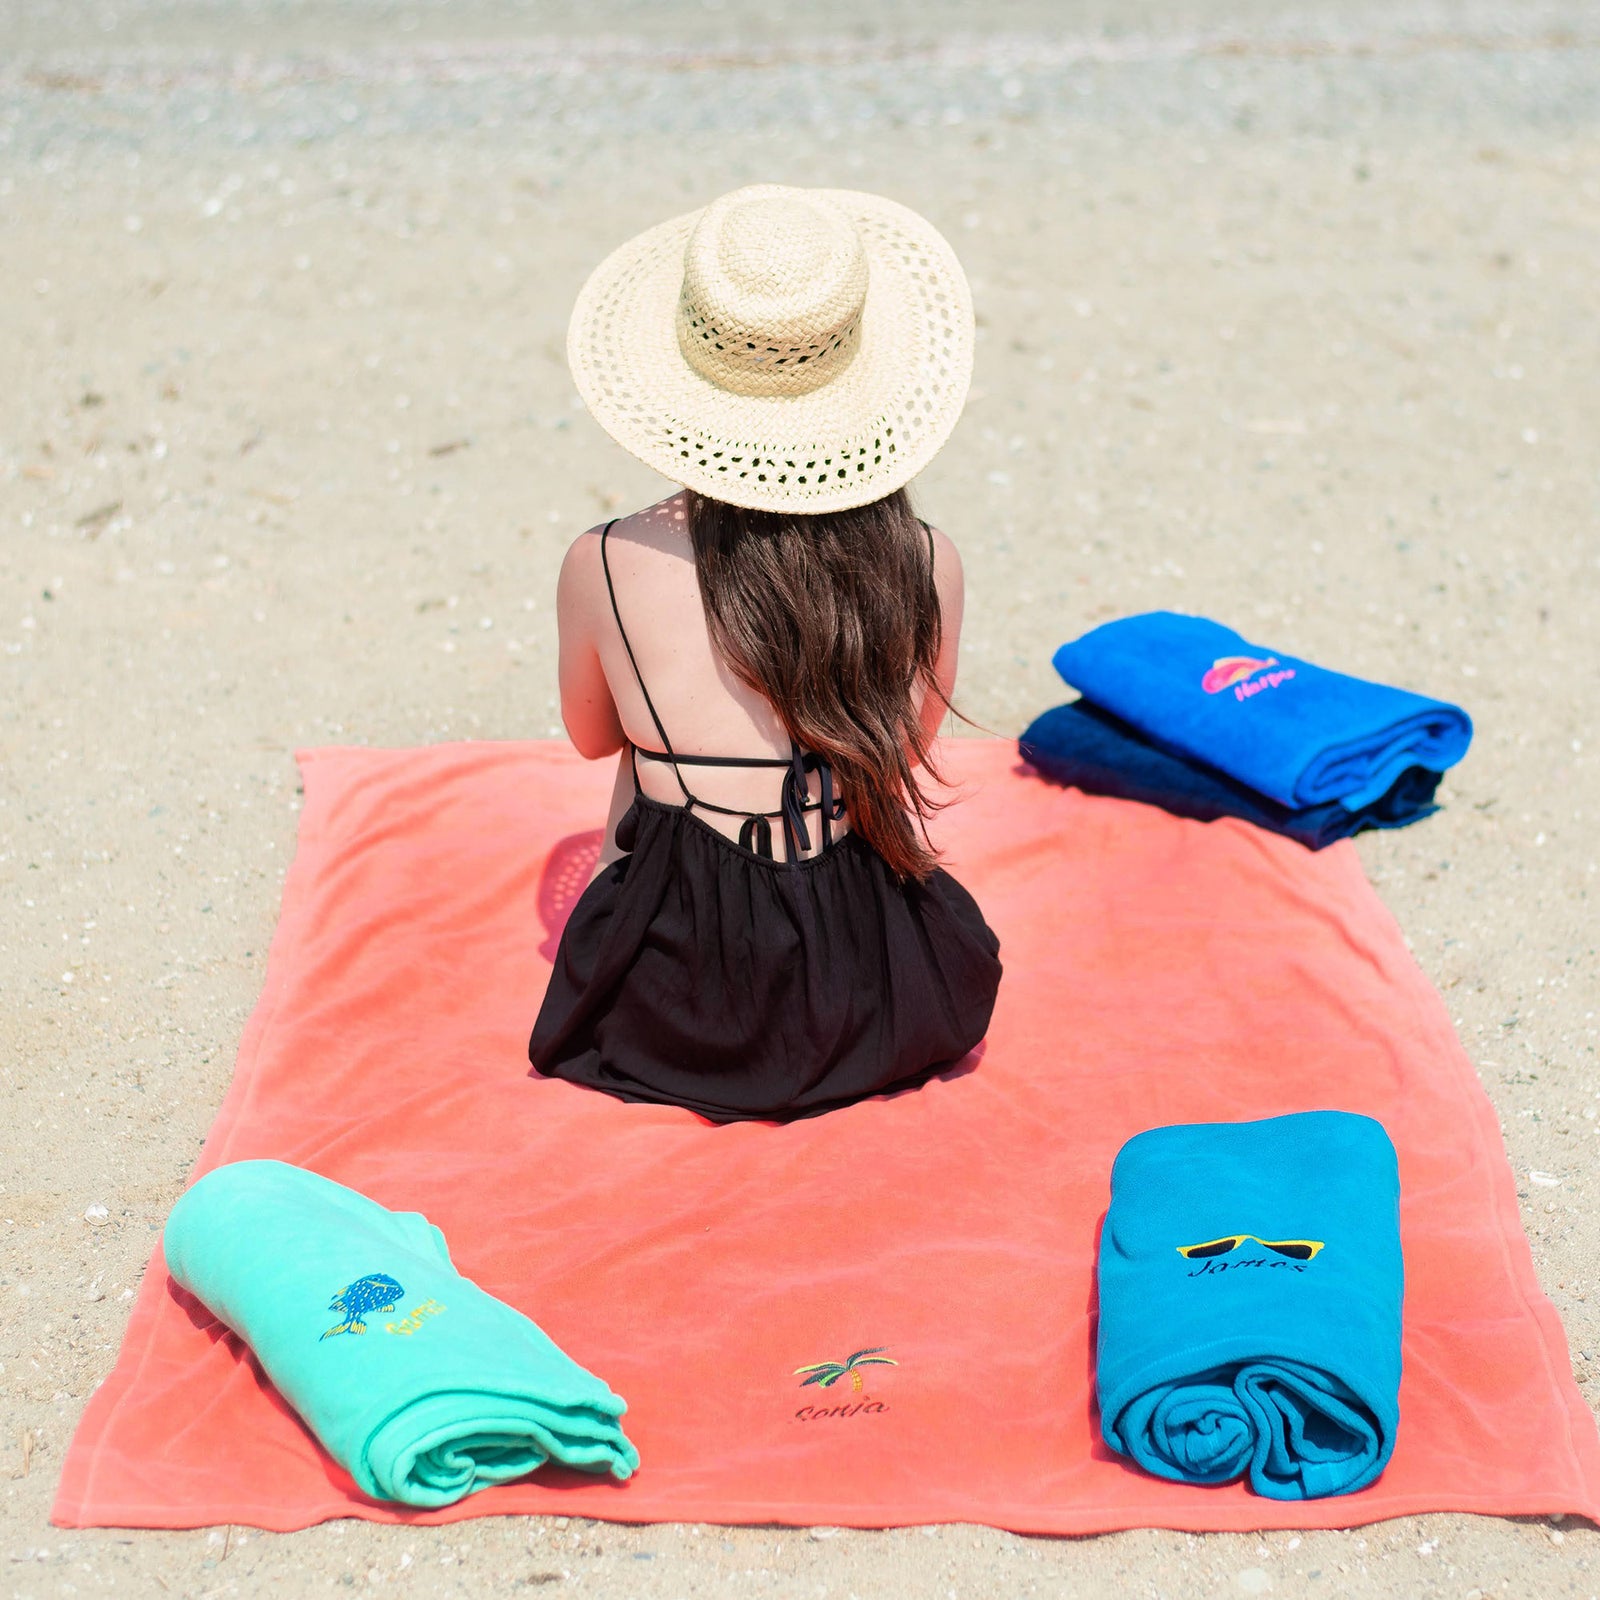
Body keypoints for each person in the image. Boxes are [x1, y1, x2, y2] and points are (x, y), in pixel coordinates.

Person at [529, 183, 1001, 1122]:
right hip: (872, 985)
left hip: (676, 999)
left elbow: (590, 739)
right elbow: (906, 749)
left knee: (642, 751)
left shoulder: (609, 562)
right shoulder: (925, 560)